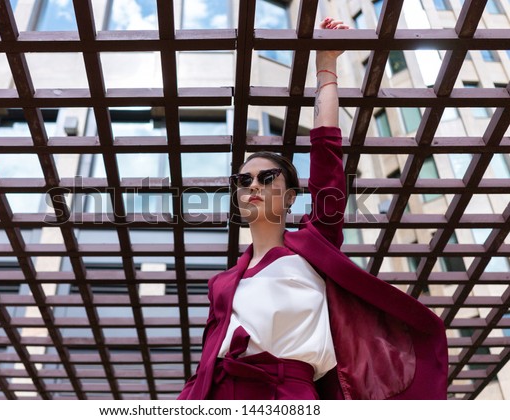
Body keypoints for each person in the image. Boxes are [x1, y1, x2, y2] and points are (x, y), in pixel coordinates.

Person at [177, 17, 448, 400]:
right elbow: (204, 365)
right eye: (243, 181)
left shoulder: (314, 243)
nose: (253, 185)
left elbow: (325, 158)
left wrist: (326, 67)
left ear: (290, 196)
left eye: (267, 178)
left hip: (290, 393)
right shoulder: (221, 284)